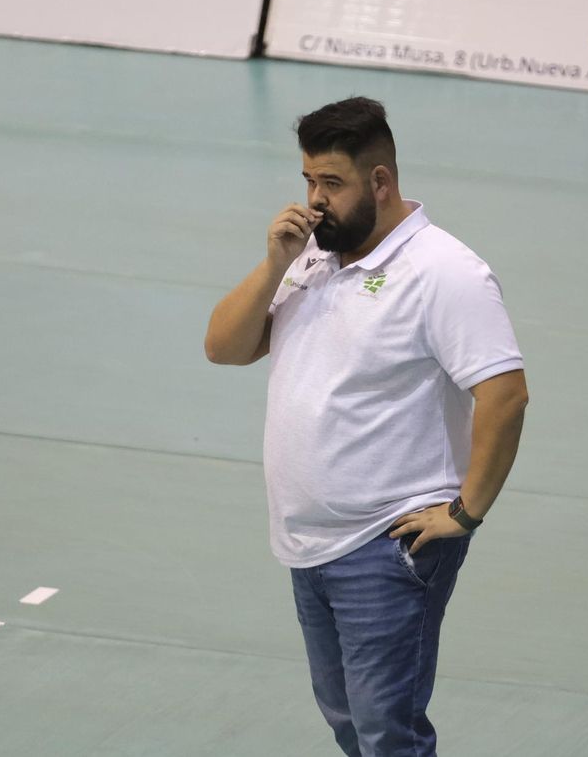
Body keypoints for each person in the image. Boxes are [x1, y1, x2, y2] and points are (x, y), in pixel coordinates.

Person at [204, 96, 529, 755]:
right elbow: (225, 346)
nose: (313, 200)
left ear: (380, 183)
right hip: (309, 544)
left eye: (331, 183)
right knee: (348, 720)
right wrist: (274, 263)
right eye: (307, 181)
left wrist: (465, 513)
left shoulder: (444, 273)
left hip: (389, 547)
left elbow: (506, 395)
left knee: (387, 730)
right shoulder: (313, 255)